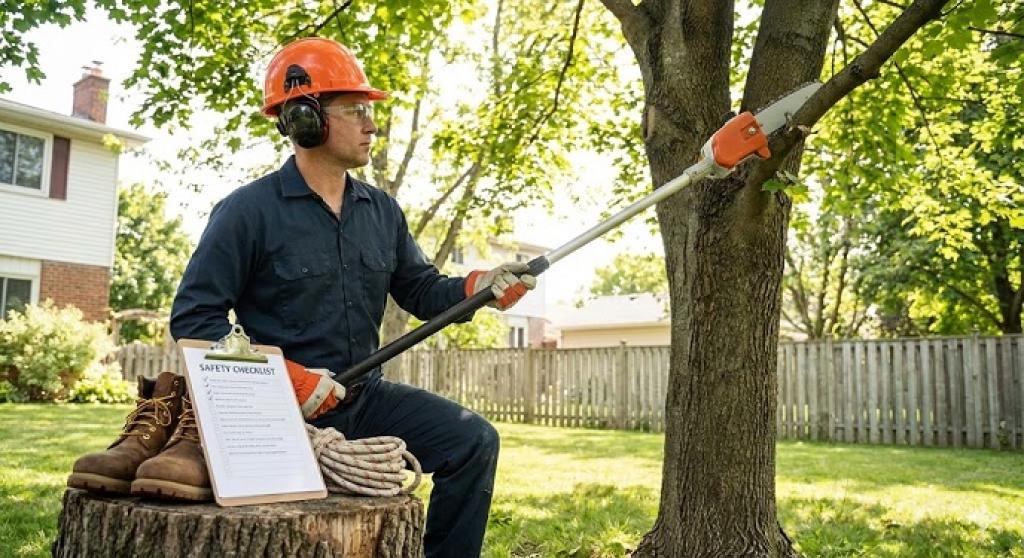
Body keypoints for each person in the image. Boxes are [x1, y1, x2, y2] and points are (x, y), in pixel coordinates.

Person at [169, 37, 536, 557]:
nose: (372, 125)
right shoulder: (247, 212)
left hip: (365, 397)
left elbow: (425, 291)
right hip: (275, 413)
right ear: (304, 118)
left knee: (473, 441)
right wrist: (284, 380)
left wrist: (478, 289)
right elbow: (193, 318)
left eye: (370, 111)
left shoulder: (382, 211)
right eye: (357, 111)